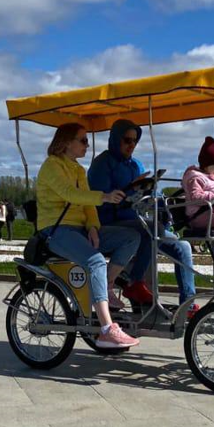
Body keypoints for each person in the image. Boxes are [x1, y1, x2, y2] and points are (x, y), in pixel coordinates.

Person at [37, 122, 141, 348]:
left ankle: (107, 285)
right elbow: (70, 194)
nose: (87, 145)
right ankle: (106, 330)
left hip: (80, 229)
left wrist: (93, 227)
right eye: (83, 140)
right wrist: (104, 197)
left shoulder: (78, 169)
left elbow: (87, 206)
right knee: (96, 261)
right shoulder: (52, 165)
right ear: (67, 142)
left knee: (131, 237)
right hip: (57, 229)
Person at [88, 119, 198, 309]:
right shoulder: (102, 164)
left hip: (137, 221)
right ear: (115, 139)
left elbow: (147, 195)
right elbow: (100, 199)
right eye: (127, 140)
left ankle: (187, 306)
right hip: (110, 222)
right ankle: (134, 282)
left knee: (183, 247)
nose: (131, 145)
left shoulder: (136, 164)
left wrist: (157, 198)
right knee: (151, 230)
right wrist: (131, 189)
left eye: (135, 141)